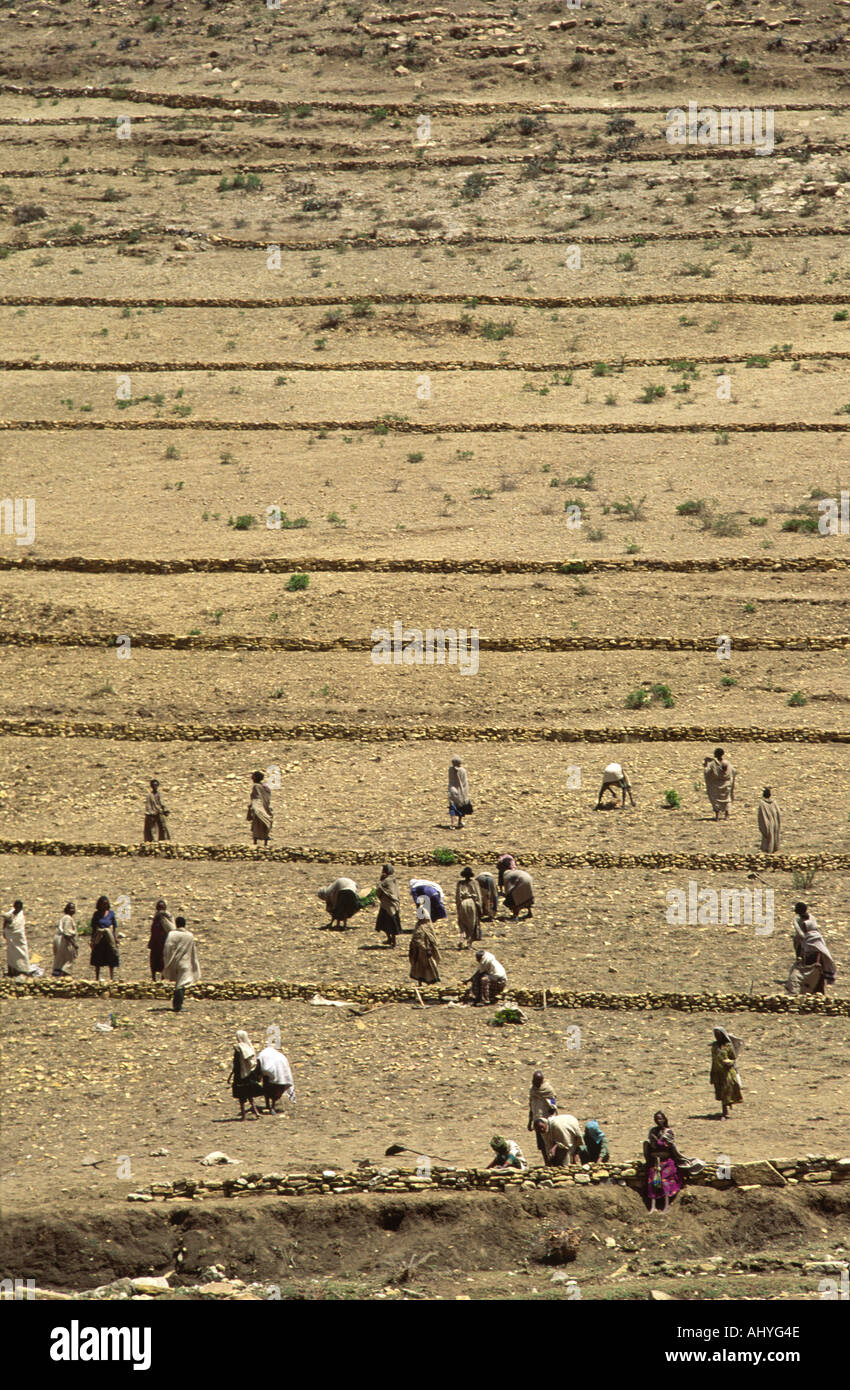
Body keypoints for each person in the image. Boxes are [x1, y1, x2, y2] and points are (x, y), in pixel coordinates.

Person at [786, 903, 836, 995]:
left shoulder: (798, 921)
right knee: (818, 975)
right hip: (818, 951)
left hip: (810, 955)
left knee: (804, 974)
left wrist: (799, 952)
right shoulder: (812, 919)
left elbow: (800, 935)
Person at [643, 1111, 687, 1214]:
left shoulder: (668, 1132)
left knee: (665, 1181)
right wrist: (653, 1141)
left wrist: (657, 1140)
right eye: (657, 1119)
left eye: (660, 1119)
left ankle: (666, 1206)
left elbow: (667, 1145)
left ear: (664, 1119)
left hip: (666, 1162)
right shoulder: (653, 1131)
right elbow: (651, 1145)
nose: (659, 1121)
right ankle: (653, 1207)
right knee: (653, 1182)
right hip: (655, 1162)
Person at [162, 915, 201, 1012]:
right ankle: (178, 1006)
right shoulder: (189, 936)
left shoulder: (172, 934)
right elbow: (193, 951)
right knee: (181, 984)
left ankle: (177, 1005)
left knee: (178, 983)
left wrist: (167, 962)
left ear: (176, 924)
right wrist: (194, 963)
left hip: (174, 962)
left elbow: (167, 948)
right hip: (185, 963)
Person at [229, 1030, 263, 1120]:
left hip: (240, 1075)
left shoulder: (239, 1048)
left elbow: (237, 1063)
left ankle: (244, 1116)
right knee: (250, 1094)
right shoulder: (249, 1047)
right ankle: (256, 1113)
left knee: (241, 1096)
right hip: (250, 1074)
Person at [710, 1027, 743, 1119]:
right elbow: (713, 1059)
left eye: (718, 1035)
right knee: (720, 1091)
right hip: (717, 1071)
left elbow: (733, 1058)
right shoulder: (714, 1046)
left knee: (727, 1089)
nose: (717, 1036)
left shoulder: (728, 1046)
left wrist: (729, 1062)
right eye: (715, 1035)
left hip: (727, 1072)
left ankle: (725, 1112)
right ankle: (725, 1108)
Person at [527, 1070, 558, 1161]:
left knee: (550, 1141)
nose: (535, 1082)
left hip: (546, 1121)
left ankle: (553, 1161)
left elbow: (553, 1103)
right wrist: (530, 1121)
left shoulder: (548, 1090)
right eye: (534, 1080)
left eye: (537, 1080)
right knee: (541, 1144)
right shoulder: (532, 1090)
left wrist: (552, 1118)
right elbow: (531, 1105)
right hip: (537, 1120)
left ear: (541, 1080)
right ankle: (546, 1162)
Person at [409, 898, 441, 984]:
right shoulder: (426, 924)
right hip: (424, 950)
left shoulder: (420, 926)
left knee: (421, 965)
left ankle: (423, 980)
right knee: (426, 964)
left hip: (423, 950)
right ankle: (427, 980)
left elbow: (417, 939)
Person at [257, 1041, 295, 1114]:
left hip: (268, 1076)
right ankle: (272, 1107)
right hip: (279, 1076)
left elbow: (260, 1065)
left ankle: (268, 1105)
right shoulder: (280, 1056)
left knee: (267, 1090)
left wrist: (261, 1074)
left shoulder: (263, 1054)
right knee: (275, 1092)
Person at [89, 896, 120, 981]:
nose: (104, 906)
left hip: (109, 938)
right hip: (100, 938)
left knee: (111, 956)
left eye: (106, 904)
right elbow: (94, 928)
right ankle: (97, 977)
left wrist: (115, 938)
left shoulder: (111, 913)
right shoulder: (96, 914)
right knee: (97, 958)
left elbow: (114, 927)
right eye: (103, 904)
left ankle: (111, 977)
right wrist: (92, 940)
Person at [3, 900, 34, 977]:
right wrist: (5, 930)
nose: (17, 909)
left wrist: (10, 927)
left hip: (18, 939)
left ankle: (24, 969)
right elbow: (5, 922)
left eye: (19, 907)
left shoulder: (20, 916)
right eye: (16, 907)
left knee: (22, 952)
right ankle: (12, 971)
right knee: (11, 954)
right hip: (11, 938)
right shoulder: (11, 912)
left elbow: (18, 929)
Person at [703, 748, 736, 820]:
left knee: (716, 800)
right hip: (727, 784)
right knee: (727, 799)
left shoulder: (713, 764)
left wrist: (705, 765)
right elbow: (733, 771)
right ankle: (727, 815)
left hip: (716, 785)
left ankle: (717, 816)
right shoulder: (727, 763)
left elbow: (707, 772)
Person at [455, 866, 483, 948]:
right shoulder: (475, 883)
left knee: (462, 922)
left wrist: (458, 906)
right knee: (472, 923)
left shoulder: (460, 883)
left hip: (463, 903)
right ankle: (469, 942)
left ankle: (461, 939)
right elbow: (478, 895)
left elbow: (457, 896)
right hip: (472, 903)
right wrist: (479, 907)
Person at [375, 863, 402, 947]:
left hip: (387, 905)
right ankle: (391, 940)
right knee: (390, 923)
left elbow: (378, 890)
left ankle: (392, 940)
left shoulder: (386, 881)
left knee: (388, 924)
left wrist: (380, 881)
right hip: (394, 904)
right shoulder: (394, 879)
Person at [147, 899, 174, 981]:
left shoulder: (167, 916)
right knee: (154, 960)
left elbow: (171, 928)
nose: (160, 909)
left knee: (163, 960)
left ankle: (163, 977)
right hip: (156, 943)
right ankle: (154, 978)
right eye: (159, 907)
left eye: (162, 907)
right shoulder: (156, 917)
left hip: (164, 942)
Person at [52, 902, 78, 977]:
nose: (72, 910)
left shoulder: (64, 918)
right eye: (71, 908)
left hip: (60, 940)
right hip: (65, 941)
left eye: (73, 908)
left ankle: (58, 976)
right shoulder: (68, 918)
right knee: (67, 961)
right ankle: (63, 977)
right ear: (67, 909)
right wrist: (74, 944)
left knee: (60, 960)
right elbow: (67, 934)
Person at [247, 770, 273, 844]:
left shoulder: (256, 786)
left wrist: (254, 806)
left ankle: (255, 842)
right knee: (264, 824)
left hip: (258, 807)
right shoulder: (265, 787)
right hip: (266, 807)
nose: (251, 777)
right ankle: (265, 842)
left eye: (253, 776)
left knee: (256, 825)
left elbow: (256, 797)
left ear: (255, 777)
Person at [448, 755, 472, 830]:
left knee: (452, 807)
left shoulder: (450, 769)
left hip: (452, 790)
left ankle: (452, 824)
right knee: (461, 807)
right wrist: (466, 791)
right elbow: (464, 782)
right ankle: (459, 822)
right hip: (460, 791)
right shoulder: (462, 770)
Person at [757, 787, 781, 853]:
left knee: (767, 837)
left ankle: (768, 850)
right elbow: (778, 813)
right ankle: (773, 850)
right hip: (775, 823)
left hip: (767, 823)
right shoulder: (774, 802)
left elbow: (761, 815)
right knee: (774, 836)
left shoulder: (762, 803)